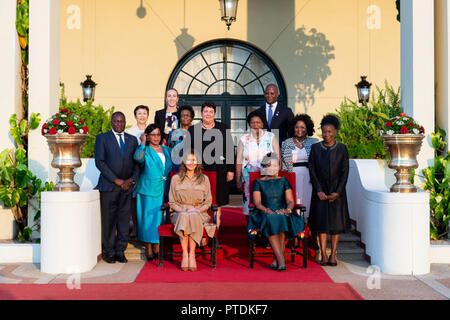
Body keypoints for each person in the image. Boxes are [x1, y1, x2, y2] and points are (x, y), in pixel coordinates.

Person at [94, 111, 140, 264]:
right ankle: (109, 251)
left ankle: (120, 251)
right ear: (111, 123)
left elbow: (137, 163)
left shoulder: (132, 140)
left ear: (125, 122)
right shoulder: (102, 138)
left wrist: (130, 180)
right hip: (109, 187)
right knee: (109, 220)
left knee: (124, 221)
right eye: (116, 121)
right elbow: (100, 162)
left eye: (122, 121)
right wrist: (116, 180)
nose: (119, 124)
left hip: (127, 188)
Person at [247, 152, 302, 271]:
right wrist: (267, 210)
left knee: (281, 218)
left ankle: (278, 259)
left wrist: (287, 209)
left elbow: (290, 201)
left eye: (275, 165)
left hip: (283, 211)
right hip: (264, 213)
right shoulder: (259, 182)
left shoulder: (284, 180)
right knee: (272, 219)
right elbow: (257, 203)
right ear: (265, 167)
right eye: (269, 165)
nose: (272, 168)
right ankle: (281, 260)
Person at [308, 115, 351, 267]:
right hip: (320, 193)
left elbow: (345, 172)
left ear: (335, 132)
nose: (327, 135)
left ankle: (333, 254)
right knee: (322, 224)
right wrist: (318, 190)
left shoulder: (342, 148)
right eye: (324, 131)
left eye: (330, 132)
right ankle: (323, 254)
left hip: (336, 194)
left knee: (335, 225)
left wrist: (337, 192)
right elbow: (312, 170)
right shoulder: (315, 148)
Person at [188, 101, 235, 232]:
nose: (208, 114)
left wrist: (231, 170)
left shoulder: (223, 128)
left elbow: (230, 150)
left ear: (214, 114)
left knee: (217, 204)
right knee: (199, 203)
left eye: (211, 111)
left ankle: (214, 236)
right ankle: (201, 234)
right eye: (205, 111)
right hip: (199, 173)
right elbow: (189, 152)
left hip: (219, 172)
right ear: (201, 113)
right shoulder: (193, 130)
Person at [168, 151, 214, 272]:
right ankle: (185, 254)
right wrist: (182, 209)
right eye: (188, 160)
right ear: (183, 162)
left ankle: (192, 254)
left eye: (193, 160)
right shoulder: (175, 179)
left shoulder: (204, 179)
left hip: (199, 212)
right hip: (179, 212)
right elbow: (172, 202)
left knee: (192, 215)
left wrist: (197, 209)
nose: (191, 163)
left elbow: (208, 202)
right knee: (184, 215)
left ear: (197, 162)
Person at [134, 124, 173, 261]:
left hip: (165, 189)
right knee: (148, 219)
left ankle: (157, 245)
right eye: (152, 134)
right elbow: (138, 159)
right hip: (148, 189)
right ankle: (149, 247)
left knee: (160, 219)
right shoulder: (145, 150)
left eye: (158, 134)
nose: (156, 137)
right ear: (147, 136)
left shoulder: (167, 150)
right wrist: (143, 143)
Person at [236, 111, 279, 217]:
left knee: (267, 202)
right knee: (249, 204)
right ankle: (251, 230)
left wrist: (277, 176)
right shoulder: (243, 139)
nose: (255, 125)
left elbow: (278, 157)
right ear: (249, 124)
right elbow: (239, 161)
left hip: (268, 176)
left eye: (258, 122)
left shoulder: (271, 136)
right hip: (248, 177)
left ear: (262, 124)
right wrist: (238, 179)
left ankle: (266, 229)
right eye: (252, 122)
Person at [281, 114, 319, 220]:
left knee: (308, 200)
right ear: (293, 128)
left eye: (302, 127)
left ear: (308, 128)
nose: (299, 130)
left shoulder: (314, 142)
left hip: (309, 177)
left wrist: (315, 177)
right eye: (297, 127)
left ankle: (309, 226)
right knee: (294, 199)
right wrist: (286, 178)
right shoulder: (286, 143)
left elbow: (318, 161)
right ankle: (296, 225)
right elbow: (282, 162)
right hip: (292, 176)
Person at [126, 105, 150, 238]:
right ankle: (135, 227)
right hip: (134, 168)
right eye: (139, 113)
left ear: (148, 115)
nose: (142, 116)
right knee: (134, 200)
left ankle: (146, 228)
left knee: (146, 200)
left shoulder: (152, 130)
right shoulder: (130, 132)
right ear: (135, 116)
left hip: (149, 168)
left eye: (144, 113)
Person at [167, 105, 195, 171]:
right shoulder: (174, 133)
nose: (185, 117)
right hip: (177, 167)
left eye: (187, 115)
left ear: (191, 118)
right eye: (183, 115)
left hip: (193, 167)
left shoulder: (196, 132)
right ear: (179, 118)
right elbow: (170, 151)